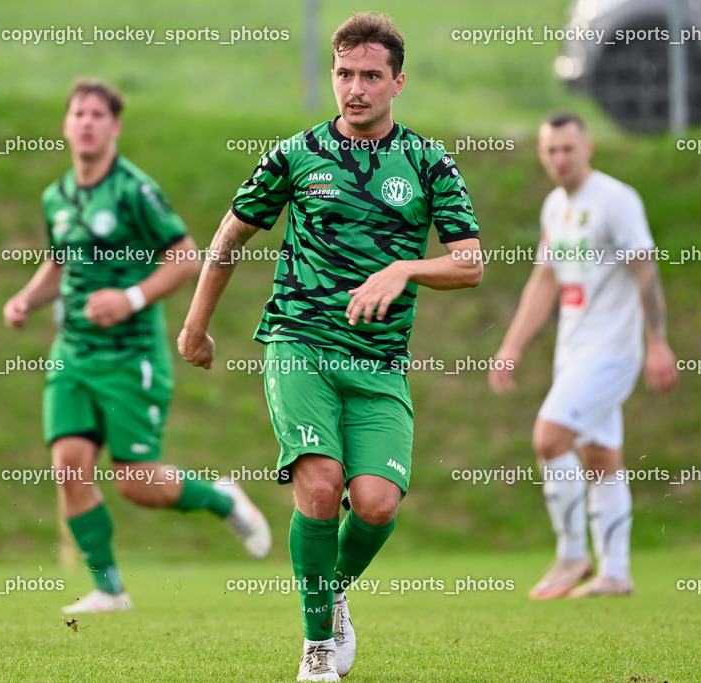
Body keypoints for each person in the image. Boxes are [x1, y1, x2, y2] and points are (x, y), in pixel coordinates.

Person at [178, 13, 482, 681]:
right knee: (320, 485)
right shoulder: (295, 155)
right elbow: (230, 238)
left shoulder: (429, 163)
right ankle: (317, 646)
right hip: (301, 343)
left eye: (372, 76)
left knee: (375, 503)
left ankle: (332, 589)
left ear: (398, 82)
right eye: (345, 74)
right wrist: (196, 325)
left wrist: (403, 269)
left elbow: (470, 264)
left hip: (377, 362)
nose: (356, 88)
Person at [3, 78, 271, 614]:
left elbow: (186, 256)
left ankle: (222, 498)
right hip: (74, 355)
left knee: (137, 484)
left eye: (98, 115)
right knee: (69, 467)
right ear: (65, 124)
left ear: (115, 127)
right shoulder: (56, 196)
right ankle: (109, 589)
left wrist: (128, 299)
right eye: (78, 113)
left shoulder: (133, 190)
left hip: (131, 357)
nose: (86, 122)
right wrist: (26, 300)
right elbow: (61, 263)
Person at [489, 112, 678, 599]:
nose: (560, 158)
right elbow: (545, 279)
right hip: (572, 350)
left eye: (568, 148)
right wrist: (511, 346)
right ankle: (615, 574)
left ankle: (574, 555)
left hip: (612, 352)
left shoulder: (616, 200)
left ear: (587, 148)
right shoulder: (554, 207)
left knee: (549, 439)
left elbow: (646, 271)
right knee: (601, 458)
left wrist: (657, 343)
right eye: (551, 150)